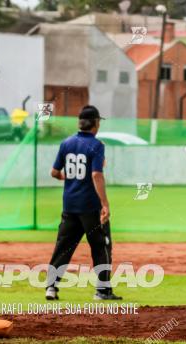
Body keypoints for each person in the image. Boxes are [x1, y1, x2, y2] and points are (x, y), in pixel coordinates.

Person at [44, 105, 121, 301]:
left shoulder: (66, 143)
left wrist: (69, 178)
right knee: (100, 246)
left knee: (63, 247)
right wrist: (105, 204)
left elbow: (54, 173)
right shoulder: (96, 145)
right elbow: (96, 174)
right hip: (90, 207)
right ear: (95, 123)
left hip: (69, 206)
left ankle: (51, 287)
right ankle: (103, 291)